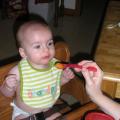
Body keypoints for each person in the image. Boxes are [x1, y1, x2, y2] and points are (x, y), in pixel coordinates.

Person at [0, 17, 75, 120]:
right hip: (24, 114)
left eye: (49, 43)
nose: (46, 50)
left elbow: (55, 84)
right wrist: (8, 86)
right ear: (23, 52)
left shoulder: (55, 65)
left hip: (48, 109)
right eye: (37, 46)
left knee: (61, 118)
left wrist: (64, 78)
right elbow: (6, 93)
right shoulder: (18, 71)